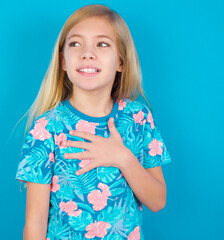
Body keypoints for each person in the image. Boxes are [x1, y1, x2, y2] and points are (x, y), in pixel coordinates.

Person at [14, 4, 172, 240]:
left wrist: (123, 158)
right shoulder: (46, 129)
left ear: (121, 61)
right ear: (63, 61)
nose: (87, 53)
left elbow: (158, 201)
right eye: (75, 44)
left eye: (102, 44)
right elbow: (34, 223)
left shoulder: (138, 118)